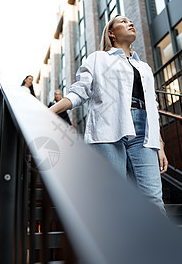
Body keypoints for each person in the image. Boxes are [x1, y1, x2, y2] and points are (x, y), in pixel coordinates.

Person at [50, 15, 168, 214]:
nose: (130, 23)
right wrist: (49, 112)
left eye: (131, 21)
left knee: (153, 198)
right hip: (109, 129)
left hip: (144, 133)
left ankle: (161, 245)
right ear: (111, 33)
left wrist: (160, 143)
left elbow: (152, 106)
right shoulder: (98, 58)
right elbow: (79, 92)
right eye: (123, 21)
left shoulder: (144, 67)